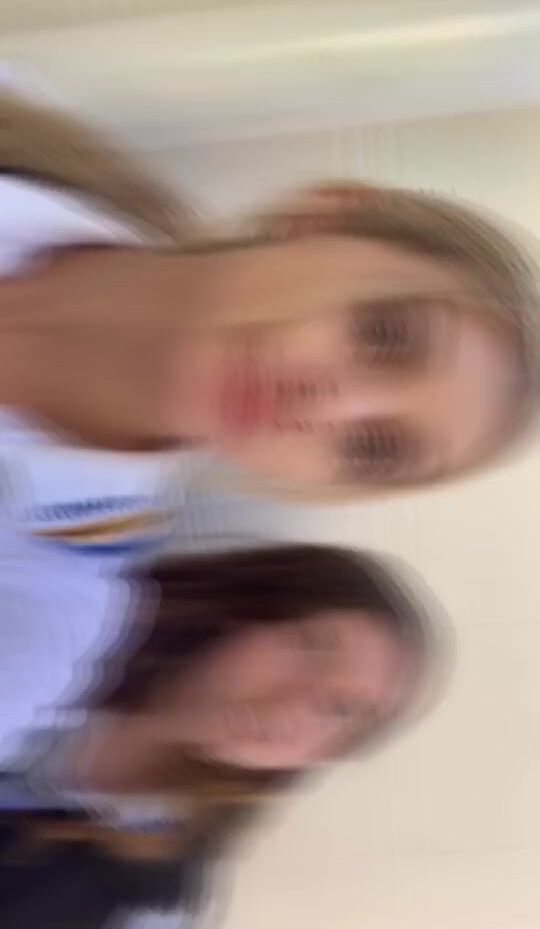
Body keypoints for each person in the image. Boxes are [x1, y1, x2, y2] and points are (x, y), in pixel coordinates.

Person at [0, 543, 447, 928]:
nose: (296, 704)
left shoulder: (148, 901)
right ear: (244, 613)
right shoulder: (50, 617)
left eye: (340, 710)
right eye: (313, 647)